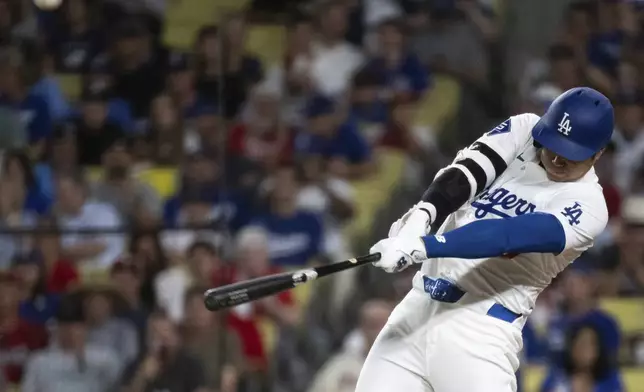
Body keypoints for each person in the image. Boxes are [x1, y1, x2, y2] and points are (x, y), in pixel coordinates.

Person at [356, 87, 614, 392]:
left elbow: (506, 235)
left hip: (479, 332)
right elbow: (466, 173)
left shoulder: (589, 206)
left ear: (597, 154)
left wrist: (425, 246)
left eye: (570, 155)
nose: (557, 157)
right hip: (416, 310)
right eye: (553, 144)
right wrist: (422, 217)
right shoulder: (524, 129)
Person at [540, 324, 624, 392]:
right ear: (571, 348)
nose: (584, 350)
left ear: (599, 350)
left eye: (590, 344)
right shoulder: (555, 378)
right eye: (581, 344)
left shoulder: (611, 382)